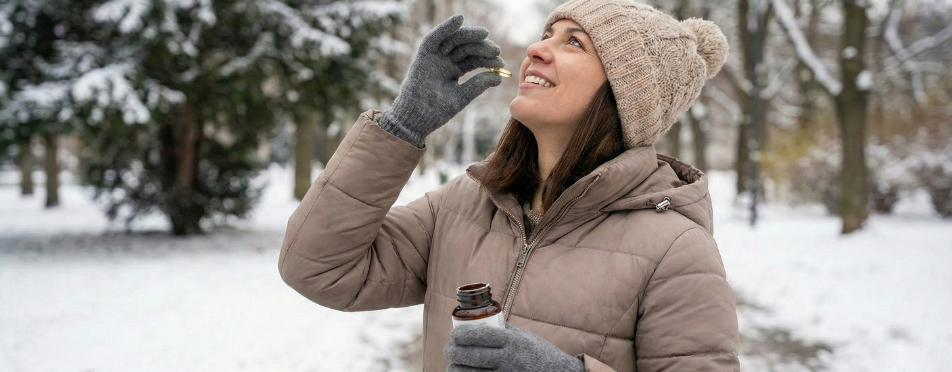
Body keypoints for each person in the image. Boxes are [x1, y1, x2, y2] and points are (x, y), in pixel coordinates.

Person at [278, 0, 739, 370]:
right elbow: (320, 270)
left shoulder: (676, 249)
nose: (536, 50)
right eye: (546, 36)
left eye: (574, 43)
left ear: (625, 96)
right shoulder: (466, 204)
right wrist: (403, 126)